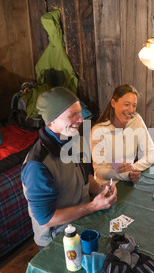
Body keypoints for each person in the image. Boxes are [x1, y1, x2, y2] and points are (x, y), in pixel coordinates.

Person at [21, 87, 117, 247]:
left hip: (84, 219)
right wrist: (93, 206)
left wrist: (100, 190)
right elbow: (46, 219)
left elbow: (86, 176)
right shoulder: (37, 165)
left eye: (79, 112)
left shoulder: (74, 138)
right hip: (57, 239)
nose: (81, 119)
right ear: (52, 120)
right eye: (73, 114)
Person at [91, 84, 154, 185]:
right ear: (113, 103)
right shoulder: (99, 130)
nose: (131, 110)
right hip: (106, 187)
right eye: (126, 104)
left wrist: (134, 168)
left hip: (129, 181)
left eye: (134, 106)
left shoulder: (136, 121)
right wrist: (126, 175)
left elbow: (152, 153)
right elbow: (99, 171)